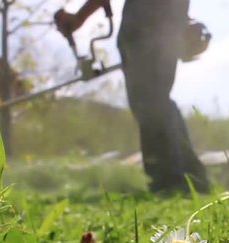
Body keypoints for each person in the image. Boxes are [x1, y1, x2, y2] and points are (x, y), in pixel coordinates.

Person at [54, 0, 210, 193]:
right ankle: (192, 178)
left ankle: (171, 181)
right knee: (157, 100)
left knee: (151, 104)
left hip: (146, 30)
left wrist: (79, 18)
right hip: (160, 28)